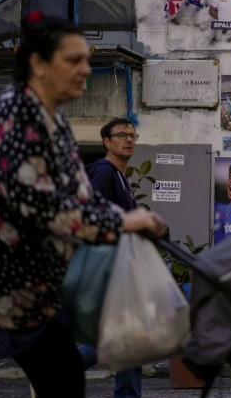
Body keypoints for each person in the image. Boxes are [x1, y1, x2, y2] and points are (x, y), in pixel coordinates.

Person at [0, 13, 166, 398]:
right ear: (39, 64)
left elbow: (77, 196)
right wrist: (122, 224)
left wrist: (127, 216)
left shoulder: (52, 120)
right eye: (73, 60)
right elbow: (39, 206)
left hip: (28, 290)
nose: (84, 69)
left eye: (85, 59)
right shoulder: (18, 115)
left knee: (63, 378)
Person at [85, 118, 144, 398]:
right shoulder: (103, 171)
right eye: (121, 135)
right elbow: (91, 216)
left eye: (133, 135)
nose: (129, 139)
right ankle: (53, 364)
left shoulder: (121, 177)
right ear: (107, 141)